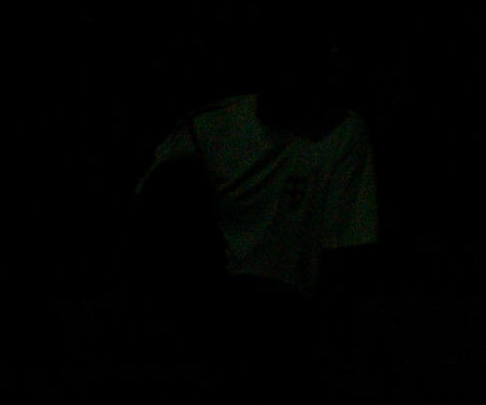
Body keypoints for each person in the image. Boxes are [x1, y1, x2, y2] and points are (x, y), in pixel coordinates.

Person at [140, 64, 378, 309]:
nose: (288, 81)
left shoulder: (340, 132)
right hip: (206, 296)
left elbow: (347, 249)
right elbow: (152, 215)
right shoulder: (207, 128)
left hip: (291, 306)